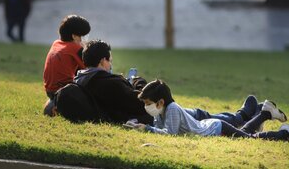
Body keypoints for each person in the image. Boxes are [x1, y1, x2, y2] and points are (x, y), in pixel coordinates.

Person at [75, 40, 275, 128]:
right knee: (202, 118)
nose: (111, 64)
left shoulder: (85, 77)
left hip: (148, 115)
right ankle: (245, 115)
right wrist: (138, 81)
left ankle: (250, 113)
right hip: (153, 116)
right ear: (102, 61)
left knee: (200, 114)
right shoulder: (105, 83)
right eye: (109, 60)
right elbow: (140, 101)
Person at [131, 79, 289, 143]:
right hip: (211, 127)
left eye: (148, 103)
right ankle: (265, 113)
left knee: (249, 139)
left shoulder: (173, 109)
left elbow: (170, 134)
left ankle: (285, 134)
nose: (147, 107)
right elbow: (160, 130)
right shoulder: (162, 112)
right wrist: (141, 127)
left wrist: (148, 129)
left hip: (215, 128)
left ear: (160, 101)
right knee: (244, 134)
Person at [43, 15, 91, 116]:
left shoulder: (56, 43)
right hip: (64, 91)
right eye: (81, 37)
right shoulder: (75, 48)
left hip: (49, 90)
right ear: (74, 36)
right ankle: (57, 105)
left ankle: (53, 102)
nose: (82, 40)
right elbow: (90, 69)